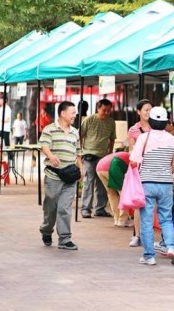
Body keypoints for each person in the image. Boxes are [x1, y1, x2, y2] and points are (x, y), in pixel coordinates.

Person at [130, 106, 174, 266]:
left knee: (146, 220)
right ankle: (171, 247)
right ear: (166, 121)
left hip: (147, 183)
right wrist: (165, 170)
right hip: (166, 183)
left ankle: (149, 256)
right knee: (166, 218)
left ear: (151, 121)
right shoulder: (172, 139)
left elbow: (134, 161)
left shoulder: (143, 138)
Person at [39, 101, 82, 250]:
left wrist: (81, 171)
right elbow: (44, 145)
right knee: (50, 208)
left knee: (64, 208)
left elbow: (78, 153)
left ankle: (65, 239)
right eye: (72, 113)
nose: (74, 115)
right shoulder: (49, 129)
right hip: (53, 176)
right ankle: (46, 230)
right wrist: (51, 156)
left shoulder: (75, 131)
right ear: (63, 113)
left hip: (70, 176)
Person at [80, 99, 116, 219]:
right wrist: (80, 152)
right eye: (104, 110)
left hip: (104, 156)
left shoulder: (111, 122)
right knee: (88, 181)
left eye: (109, 111)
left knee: (102, 183)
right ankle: (86, 209)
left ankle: (100, 208)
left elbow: (112, 139)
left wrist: (110, 152)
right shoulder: (89, 120)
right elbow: (80, 135)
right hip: (89, 155)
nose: (106, 113)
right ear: (98, 108)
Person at [126, 99, 152, 247]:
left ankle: (149, 236)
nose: (148, 112)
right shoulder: (134, 130)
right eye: (146, 110)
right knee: (138, 203)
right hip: (139, 169)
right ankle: (137, 235)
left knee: (152, 204)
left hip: (153, 168)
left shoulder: (157, 127)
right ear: (139, 112)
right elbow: (131, 151)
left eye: (150, 110)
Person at [96, 151, 131, 227]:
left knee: (111, 194)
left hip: (99, 167)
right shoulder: (134, 158)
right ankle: (123, 220)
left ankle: (116, 219)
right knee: (123, 193)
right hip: (112, 165)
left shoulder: (125, 154)